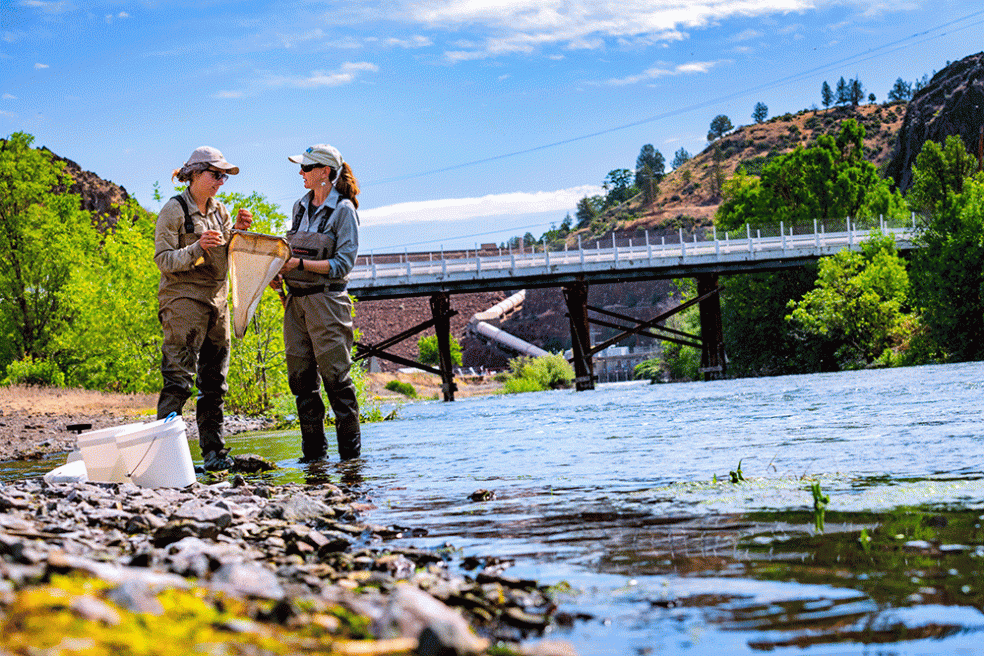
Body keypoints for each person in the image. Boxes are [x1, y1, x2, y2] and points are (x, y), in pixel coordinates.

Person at [154, 146, 253, 471]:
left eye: (224, 176)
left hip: (217, 302)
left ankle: (214, 455)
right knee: (178, 380)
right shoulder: (174, 210)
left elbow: (228, 259)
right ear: (195, 173)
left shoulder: (220, 211)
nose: (221, 181)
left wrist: (237, 232)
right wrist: (196, 248)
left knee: (214, 383)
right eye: (216, 174)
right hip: (182, 301)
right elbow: (163, 261)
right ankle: (164, 459)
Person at [275, 144, 361, 461]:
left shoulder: (344, 211)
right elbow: (289, 252)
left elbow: (342, 265)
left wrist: (298, 265)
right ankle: (313, 458)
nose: (301, 173)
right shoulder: (299, 207)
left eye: (306, 168)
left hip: (328, 303)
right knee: (301, 384)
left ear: (324, 172)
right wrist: (276, 272)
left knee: (337, 382)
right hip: (294, 305)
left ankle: (351, 463)